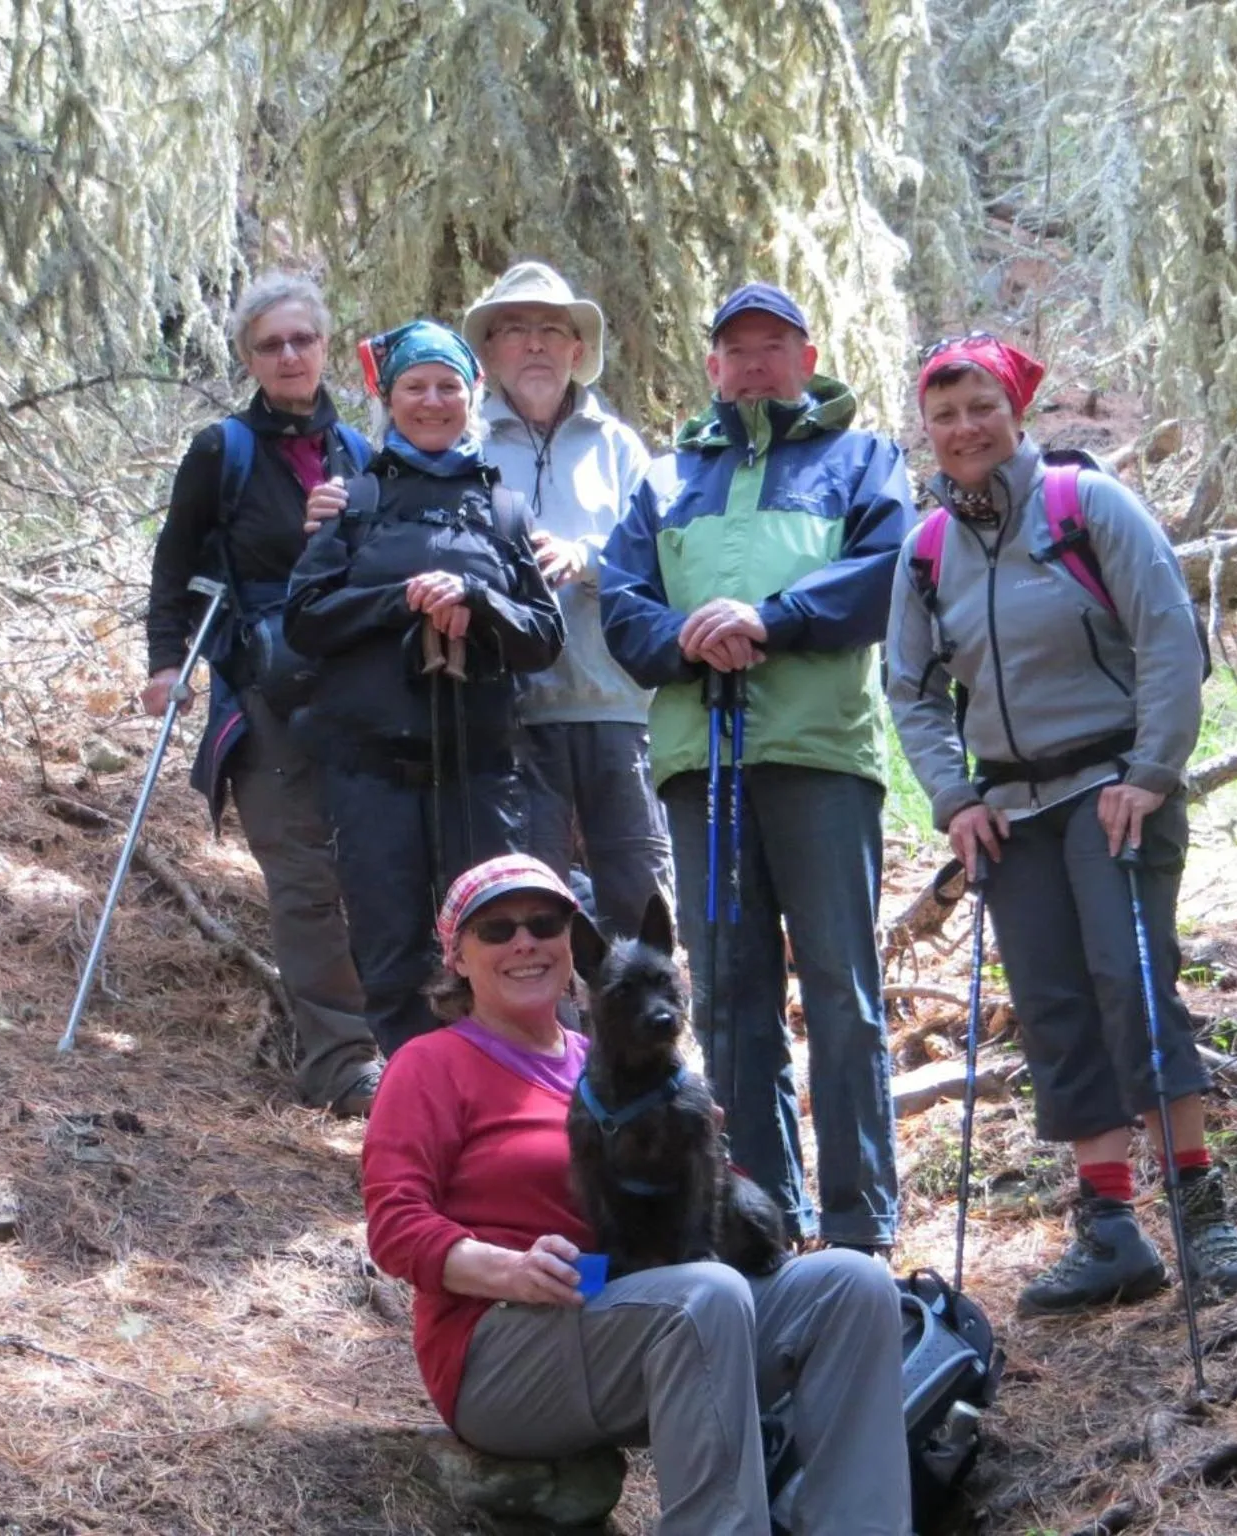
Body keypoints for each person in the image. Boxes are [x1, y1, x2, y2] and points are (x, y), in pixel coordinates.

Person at [883, 333, 1237, 1314]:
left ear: (1014, 412)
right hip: (1008, 812)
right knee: (1053, 1009)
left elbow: (1165, 637)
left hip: (1109, 790)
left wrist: (1149, 771)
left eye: (979, 408)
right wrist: (954, 797)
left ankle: (1199, 1208)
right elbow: (912, 691)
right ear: (925, 432)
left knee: (1131, 987)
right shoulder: (926, 549)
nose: (963, 429)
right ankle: (1108, 1231)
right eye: (944, 415)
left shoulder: (1084, 505)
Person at [363, 854, 911, 1536]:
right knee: (705, 1295)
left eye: (544, 922)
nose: (525, 941)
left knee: (851, 1286)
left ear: (577, 950)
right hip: (503, 1343)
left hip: (637, 1303)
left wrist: (708, 1155)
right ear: (460, 961)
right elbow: (394, 1225)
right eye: (497, 930)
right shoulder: (431, 1064)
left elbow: (705, 1197)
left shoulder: (626, 1061)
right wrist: (511, 1269)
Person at [599, 282, 913, 1253]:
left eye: (771, 346)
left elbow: (885, 570)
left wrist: (766, 619)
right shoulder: (662, 480)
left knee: (840, 990)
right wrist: (687, 640)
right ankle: (759, 1218)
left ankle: (862, 1223)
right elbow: (620, 601)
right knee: (729, 999)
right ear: (711, 368)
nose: (752, 363)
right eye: (735, 349)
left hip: (817, 753)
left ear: (805, 358)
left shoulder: (862, 459)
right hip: (703, 765)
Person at [285, 321, 564, 1057]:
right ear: (390, 397)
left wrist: (477, 599)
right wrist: (398, 599)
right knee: (390, 955)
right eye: (415, 386)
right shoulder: (354, 501)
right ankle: (409, 1127)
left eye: (447, 386)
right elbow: (304, 620)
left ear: (471, 396)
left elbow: (544, 636)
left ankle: (503, 1123)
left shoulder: (502, 509)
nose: (432, 401)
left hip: (479, 777)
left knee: (498, 949)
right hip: (374, 779)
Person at [143, 272, 381, 1118]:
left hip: (357, 691)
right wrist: (166, 662)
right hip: (264, 692)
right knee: (305, 878)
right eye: (270, 344)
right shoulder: (223, 451)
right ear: (248, 357)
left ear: (325, 347)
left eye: (302, 340)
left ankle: (393, 1046)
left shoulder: (360, 452)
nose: (288, 355)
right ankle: (339, 1061)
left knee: (373, 869)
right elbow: (174, 563)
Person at [459, 261, 672, 937]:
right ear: (490, 352)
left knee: (641, 901)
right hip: (511, 714)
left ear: (578, 351)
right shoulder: (466, 444)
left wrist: (589, 560)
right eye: (515, 330)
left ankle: (658, 1039)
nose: (535, 344)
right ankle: (549, 1045)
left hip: (618, 706)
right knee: (533, 905)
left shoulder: (619, 448)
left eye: (552, 329)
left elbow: (663, 558)